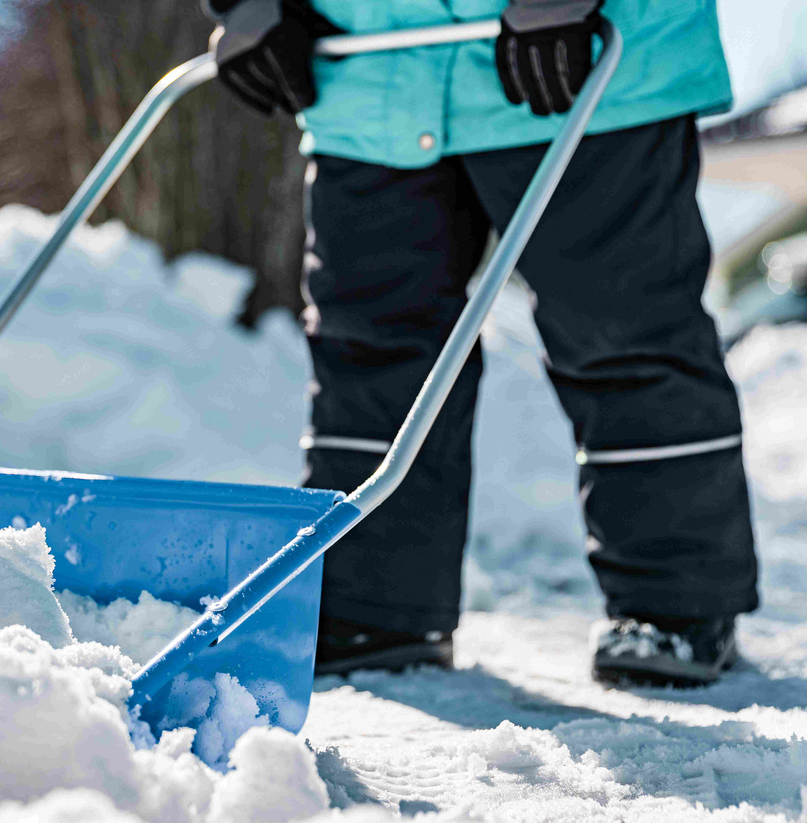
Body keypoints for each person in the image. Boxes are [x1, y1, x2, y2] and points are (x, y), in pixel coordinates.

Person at [202, 0, 759, 686]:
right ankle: (373, 603)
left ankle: (679, 599)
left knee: (622, 332)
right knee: (370, 350)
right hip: (367, 74)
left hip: (576, 58)